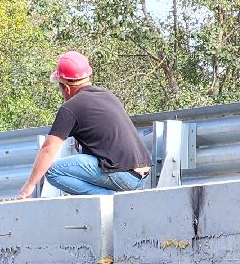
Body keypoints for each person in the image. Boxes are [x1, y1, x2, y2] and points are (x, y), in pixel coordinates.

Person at [19, 52, 151, 198]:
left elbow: (48, 149)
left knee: (52, 171)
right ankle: (108, 196)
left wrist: (29, 185)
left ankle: (108, 198)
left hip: (123, 175)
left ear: (66, 88)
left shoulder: (71, 107)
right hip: (142, 174)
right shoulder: (107, 95)